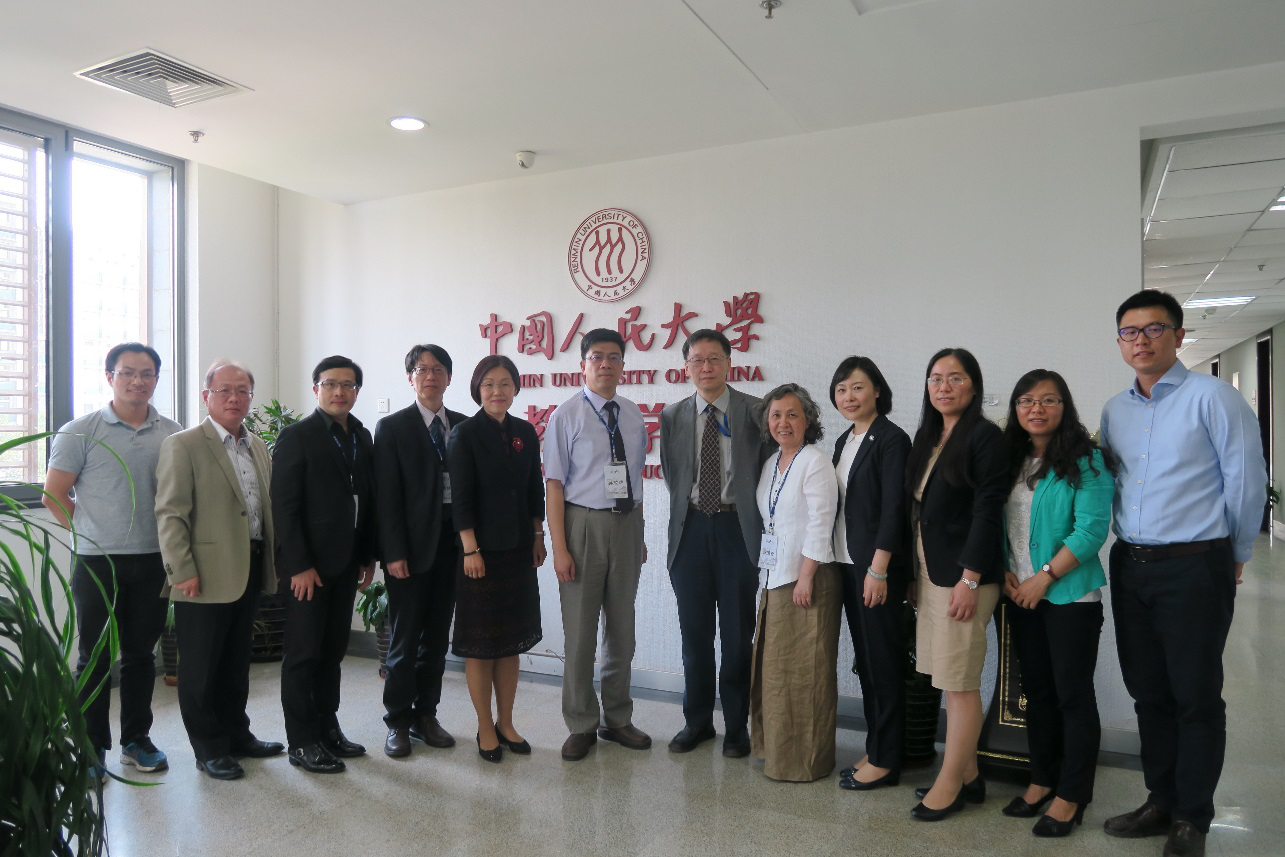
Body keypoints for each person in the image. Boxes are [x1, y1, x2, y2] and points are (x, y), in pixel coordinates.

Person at [1099, 290, 1265, 857]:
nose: (1141, 341)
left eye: (1154, 329)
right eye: (1130, 332)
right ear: (1119, 342)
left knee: (1195, 695)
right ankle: (1160, 801)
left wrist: (1235, 553)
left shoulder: (1213, 398)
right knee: (1148, 692)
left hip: (1195, 564)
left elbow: (1245, 478)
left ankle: (1192, 817)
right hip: (1131, 565)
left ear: (1178, 335)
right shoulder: (1114, 411)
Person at [43, 342, 182, 778]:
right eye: (127, 373)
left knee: (141, 655)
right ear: (110, 377)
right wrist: (90, 532)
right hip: (96, 563)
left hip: (154, 560)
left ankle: (135, 741)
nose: (137, 381)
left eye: (146, 374)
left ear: (156, 379)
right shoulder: (79, 431)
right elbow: (53, 495)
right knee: (95, 658)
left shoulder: (172, 433)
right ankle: (90, 750)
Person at [155, 360, 283, 780]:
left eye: (243, 391)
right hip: (202, 574)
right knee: (200, 668)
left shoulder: (257, 446)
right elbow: (170, 512)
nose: (234, 398)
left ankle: (236, 734)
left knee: (234, 662)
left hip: (250, 565)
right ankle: (208, 748)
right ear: (205, 396)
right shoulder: (184, 444)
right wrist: (181, 569)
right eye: (224, 390)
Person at [1000, 369, 1114, 836]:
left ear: (1064, 407)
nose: (1037, 409)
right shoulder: (1012, 458)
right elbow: (1002, 523)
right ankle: (1042, 779)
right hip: (1020, 594)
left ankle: (1072, 794)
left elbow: (1091, 530)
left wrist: (1043, 578)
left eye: (1048, 400)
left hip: (1070, 596)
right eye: (1026, 400)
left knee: (1072, 695)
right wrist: (1006, 568)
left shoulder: (1087, 460)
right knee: (1038, 693)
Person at [905, 347, 1006, 821]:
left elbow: (988, 510)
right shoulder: (928, 436)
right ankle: (969, 776)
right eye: (935, 378)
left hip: (965, 577)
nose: (943, 386)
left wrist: (970, 578)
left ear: (974, 385)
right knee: (945, 677)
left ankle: (949, 785)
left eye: (955, 377)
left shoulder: (984, 437)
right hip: (931, 573)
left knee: (960, 683)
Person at [658, 329, 769, 758]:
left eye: (714, 358)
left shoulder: (755, 411)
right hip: (689, 531)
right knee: (695, 633)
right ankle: (698, 722)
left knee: (738, 635)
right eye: (697, 360)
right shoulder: (673, 416)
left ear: (728, 363)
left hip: (736, 528)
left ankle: (737, 726)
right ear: (687, 366)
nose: (706, 367)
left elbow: (766, 471)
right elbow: (673, 475)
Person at [544, 328, 651, 761]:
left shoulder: (633, 414)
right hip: (581, 525)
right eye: (597, 357)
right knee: (581, 631)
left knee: (622, 630)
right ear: (582, 366)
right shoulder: (565, 416)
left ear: (623, 365)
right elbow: (554, 485)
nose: (605, 364)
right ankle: (581, 722)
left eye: (614, 357)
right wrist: (560, 548)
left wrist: (639, 535)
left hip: (626, 526)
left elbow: (635, 478)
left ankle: (617, 718)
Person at [272, 355, 378, 774]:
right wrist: (298, 564)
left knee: (332, 652)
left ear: (356, 391)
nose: (339, 392)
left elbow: (367, 501)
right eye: (331, 384)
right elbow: (284, 507)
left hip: (345, 563)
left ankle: (327, 728)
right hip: (308, 569)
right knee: (303, 654)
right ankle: (301, 741)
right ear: (316, 388)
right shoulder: (296, 437)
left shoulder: (361, 436)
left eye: (348, 385)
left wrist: (366, 556)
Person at [447, 355, 545, 763]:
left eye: (505, 383)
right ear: (477, 389)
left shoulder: (525, 432)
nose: (497, 391)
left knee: (509, 642)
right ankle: (485, 726)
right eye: (488, 384)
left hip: (518, 550)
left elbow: (534, 488)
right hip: (480, 555)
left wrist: (538, 535)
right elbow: (461, 497)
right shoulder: (464, 434)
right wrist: (470, 548)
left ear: (516, 389)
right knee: (481, 644)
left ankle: (506, 722)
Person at [374, 344, 465, 758]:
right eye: (422, 369)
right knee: (404, 640)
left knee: (437, 640)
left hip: (452, 549)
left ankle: (426, 715)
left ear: (449, 377)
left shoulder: (462, 426)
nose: (431, 376)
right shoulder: (392, 427)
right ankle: (397, 721)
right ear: (410, 378)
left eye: (438, 369)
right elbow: (386, 496)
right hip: (408, 553)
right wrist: (392, 552)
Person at [748, 383, 840, 782]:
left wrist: (806, 577)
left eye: (792, 415)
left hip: (807, 581)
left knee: (806, 674)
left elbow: (821, 522)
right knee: (776, 673)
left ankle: (806, 762)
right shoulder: (772, 462)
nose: (783, 422)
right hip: (775, 577)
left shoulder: (815, 462)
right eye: (776, 415)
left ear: (808, 420)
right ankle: (777, 753)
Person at [828, 356, 911, 791]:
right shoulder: (845, 439)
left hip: (875, 570)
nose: (849, 396)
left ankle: (887, 759)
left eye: (857, 387)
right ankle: (877, 746)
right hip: (848, 564)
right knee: (867, 662)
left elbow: (895, 508)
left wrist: (878, 569)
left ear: (877, 390)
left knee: (883, 662)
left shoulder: (892, 439)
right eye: (841, 389)